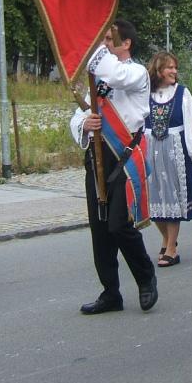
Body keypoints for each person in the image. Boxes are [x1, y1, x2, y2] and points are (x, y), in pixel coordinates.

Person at [69, 22, 159, 316]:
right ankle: (110, 292)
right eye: (101, 39)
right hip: (97, 157)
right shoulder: (96, 77)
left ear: (127, 43)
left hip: (126, 155)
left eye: (109, 39)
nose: (104, 44)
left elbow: (116, 76)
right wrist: (84, 123)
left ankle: (145, 277)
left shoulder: (135, 73)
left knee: (119, 224)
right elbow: (79, 114)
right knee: (100, 230)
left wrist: (88, 44)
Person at [145, 51, 192, 267]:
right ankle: (165, 239)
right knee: (153, 201)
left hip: (175, 150)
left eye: (175, 67)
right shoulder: (145, 93)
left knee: (173, 198)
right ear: (157, 70)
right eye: (169, 67)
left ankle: (172, 248)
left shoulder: (182, 93)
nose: (174, 71)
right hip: (150, 150)